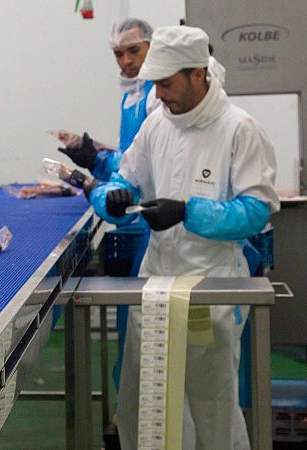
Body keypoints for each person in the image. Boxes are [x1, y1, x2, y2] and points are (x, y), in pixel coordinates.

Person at [88, 26, 279, 449]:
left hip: (211, 287)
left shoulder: (239, 129)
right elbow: (124, 178)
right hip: (155, 282)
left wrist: (188, 212)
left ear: (198, 74)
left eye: (166, 83)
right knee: (142, 398)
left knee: (210, 403)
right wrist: (113, 198)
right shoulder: (157, 124)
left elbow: (256, 211)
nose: (158, 95)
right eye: (154, 84)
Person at [58, 18, 161, 181]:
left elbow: (149, 164)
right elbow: (125, 156)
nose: (126, 61)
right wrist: (95, 157)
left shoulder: (158, 93)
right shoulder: (129, 95)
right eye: (118, 54)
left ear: (151, 47)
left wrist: (98, 161)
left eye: (134, 50)